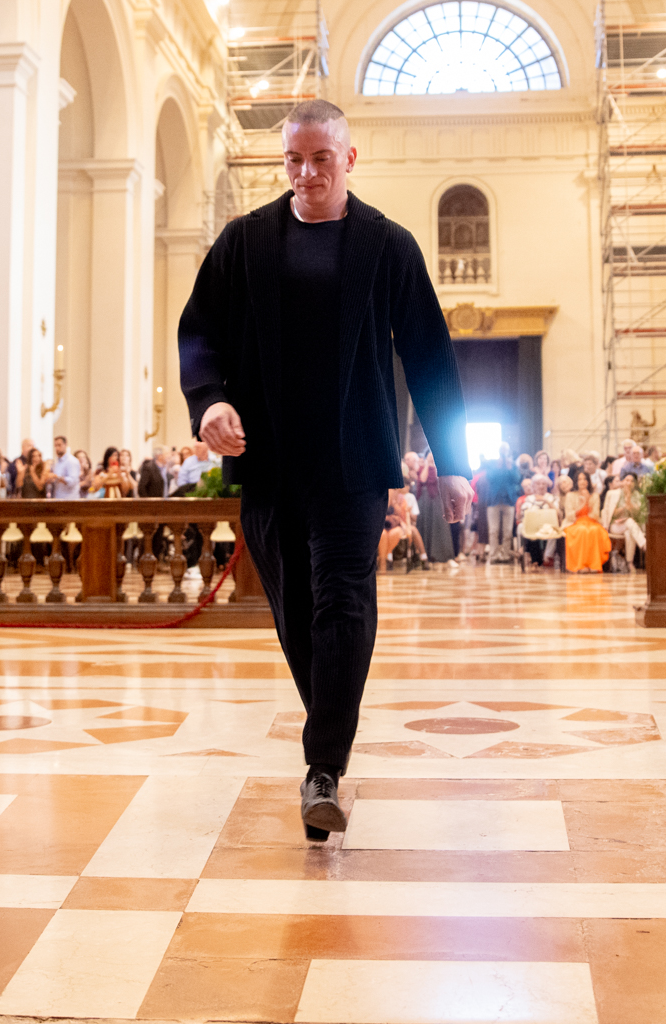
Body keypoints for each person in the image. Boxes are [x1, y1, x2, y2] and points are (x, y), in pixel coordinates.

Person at [178, 97, 470, 842]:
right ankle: (329, 740)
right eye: (294, 160)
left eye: (321, 159)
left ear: (348, 159)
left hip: (353, 461)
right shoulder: (245, 242)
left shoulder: (389, 245)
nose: (307, 173)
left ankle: (323, 769)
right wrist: (209, 402)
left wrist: (455, 462)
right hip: (268, 462)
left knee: (343, 602)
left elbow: (431, 355)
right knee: (298, 614)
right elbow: (200, 330)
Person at [406, 452, 457, 568]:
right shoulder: (423, 468)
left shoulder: (441, 469)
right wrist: (428, 464)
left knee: (441, 527)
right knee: (426, 526)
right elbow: (423, 480)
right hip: (425, 501)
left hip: (438, 501)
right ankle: (427, 556)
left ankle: (445, 557)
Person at [561, 466, 611, 573]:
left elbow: (596, 515)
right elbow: (569, 515)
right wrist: (582, 504)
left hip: (591, 521)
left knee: (594, 531)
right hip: (574, 523)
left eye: (584, 479)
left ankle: (593, 564)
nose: (582, 482)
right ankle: (581, 565)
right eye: (579, 479)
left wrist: (588, 502)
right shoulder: (570, 495)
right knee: (582, 531)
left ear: (588, 481)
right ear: (576, 482)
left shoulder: (595, 496)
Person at [482, 452, 521, 562]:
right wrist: (498, 467)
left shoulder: (512, 465)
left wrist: (509, 467)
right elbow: (489, 477)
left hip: (509, 501)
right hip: (493, 501)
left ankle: (505, 555)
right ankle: (493, 556)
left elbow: (517, 479)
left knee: (508, 531)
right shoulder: (493, 464)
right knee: (493, 530)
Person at [45, 434, 81, 500]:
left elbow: (72, 482)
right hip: (59, 498)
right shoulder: (57, 462)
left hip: (70, 499)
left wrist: (57, 477)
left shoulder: (72, 461)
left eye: (59, 445)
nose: (57, 448)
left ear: (65, 445)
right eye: (55, 446)